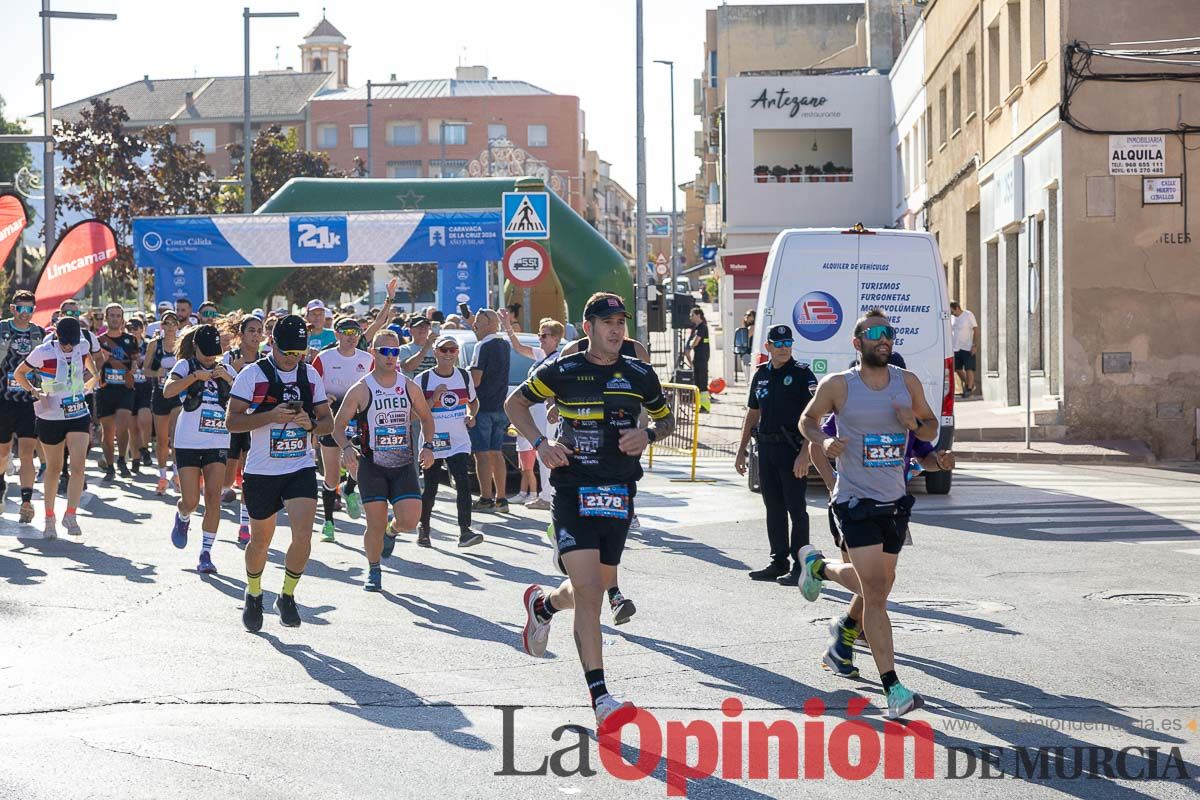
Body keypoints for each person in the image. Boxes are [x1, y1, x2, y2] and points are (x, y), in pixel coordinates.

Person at [508, 292, 674, 732]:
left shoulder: (639, 373)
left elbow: (666, 417)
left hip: (618, 491)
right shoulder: (563, 369)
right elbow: (515, 405)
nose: (617, 329)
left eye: (620, 321)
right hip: (572, 489)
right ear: (588, 328)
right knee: (590, 591)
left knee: (591, 588)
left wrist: (650, 433)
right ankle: (601, 697)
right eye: (607, 322)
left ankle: (543, 605)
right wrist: (542, 445)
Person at [798, 308, 938, 720]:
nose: (884, 338)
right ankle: (893, 688)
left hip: (895, 501)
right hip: (855, 501)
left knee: (877, 584)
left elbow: (930, 429)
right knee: (875, 593)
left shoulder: (905, 382)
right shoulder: (839, 386)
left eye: (889, 332)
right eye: (874, 333)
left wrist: (915, 423)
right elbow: (806, 420)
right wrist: (824, 441)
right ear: (857, 342)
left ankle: (819, 568)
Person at [227, 315, 333, 630]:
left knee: (303, 535)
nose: (293, 358)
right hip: (261, 471)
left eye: (299, 353)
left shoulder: (309, 375)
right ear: (272, 344)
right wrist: (270, 416)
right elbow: (232, 422)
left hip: (299, 465)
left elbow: (328, 421)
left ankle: (287, 594)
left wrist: (311, 424)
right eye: (288, 352)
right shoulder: (251, 376)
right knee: (260, 540)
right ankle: (255, 592)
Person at [332, 331, 436, 591]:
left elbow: (426, 417)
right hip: (372, 466)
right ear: (374, 353)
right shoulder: (361, 388)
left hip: (403, 465)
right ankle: (374, 569)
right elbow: (338, 426)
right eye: (385, 352)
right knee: (374, 524)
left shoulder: (408, 385)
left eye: (395, 352)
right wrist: (345, 448)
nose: (391, 357)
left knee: (410, 521)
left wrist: (428, 446)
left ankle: (393, 531)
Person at [734, 324, 819, 585]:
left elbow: (815, 417)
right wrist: (741, 450)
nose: (784, 348)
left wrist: (806, 453)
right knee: (773, 508)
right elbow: (753, 413)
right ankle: (778, 560)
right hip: (766, 450)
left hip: (792, 450)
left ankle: (800, 565)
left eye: (788, 343)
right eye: (778, 344)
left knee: (797, 509)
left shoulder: (803, 375)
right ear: (768, 346)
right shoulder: (761, 375)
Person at [14, 317, 97, 538]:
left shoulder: (83, 345)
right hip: (50, 414)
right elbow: (19, 373)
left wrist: (93, 375)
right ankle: (49, 517)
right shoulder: (43, 352)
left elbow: (89, 361)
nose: (69, 346)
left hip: (78, 410)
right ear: (57, 336)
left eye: (73, 341)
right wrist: (35, 391)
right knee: (54, 468)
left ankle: (70, 515)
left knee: (79, 466)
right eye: (65, 342)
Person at [162, 325, 235, 574]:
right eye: (206, 353)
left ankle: (206, 553)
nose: (210, 358)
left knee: (214, 498)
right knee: (191, 501)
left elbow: (247, 397)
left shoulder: (224, 368)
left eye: (214, 353)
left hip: (218, 441)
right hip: (189, 441)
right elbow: (168, 391)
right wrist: (195, 378)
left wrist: (229, 379)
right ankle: (183, 517)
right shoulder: (185, 366)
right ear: (196, 348)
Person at [312, 316, 375, 542]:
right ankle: (328, 522)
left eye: (355, 333)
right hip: (331, 418)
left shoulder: (367, 359)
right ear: (336, 334)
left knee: (357, 466)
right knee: (330, 474)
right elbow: (312, 385)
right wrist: (321, 399)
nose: (351, 338)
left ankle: (350, 489)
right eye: (346, 333)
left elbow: (375, 386)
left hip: (358, 419)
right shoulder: (324, 358)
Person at [415, 335, 480, 547]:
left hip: (459, 440)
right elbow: (414, 412)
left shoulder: (464, 376)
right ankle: (424, 527)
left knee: (463, 483)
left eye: (452, 350)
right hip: (432, 441)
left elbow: (473, 401)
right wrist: (433, 398)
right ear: (435, 352)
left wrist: (472, 415)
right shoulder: (423, 380)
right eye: (444, 350)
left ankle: (465, 530)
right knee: (431, 487)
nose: (448, 354)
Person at [501, 313, 565, 510]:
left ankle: (549, 496)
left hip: (547, 413)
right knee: (539, 453)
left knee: (548, 451)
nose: (541, 338)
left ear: (555, 338)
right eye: (540, 335)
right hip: (533, 411)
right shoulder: (540, 355)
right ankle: (546, 495)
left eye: (544, 335)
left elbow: (556, 385)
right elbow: (519, 348)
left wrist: (553, 403)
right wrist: (508, 328)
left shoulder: (559, 358)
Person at [0, 290, 46, 524]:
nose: (24, 314)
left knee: (27, 453)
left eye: (29, 309)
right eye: (20, 309)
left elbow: (47, 365)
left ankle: (26, 502)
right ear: (12, 309)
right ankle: (0, 486)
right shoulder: (1, 328)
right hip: (3, 399)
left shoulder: (39, 333)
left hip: (29, 401)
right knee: (3, 451)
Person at [222, 314, 264, 545]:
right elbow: (222, 387)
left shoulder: (265, 360)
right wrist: (233, 375)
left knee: (249, 476)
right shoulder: (230, 357)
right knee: (227, 481)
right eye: (251, 330)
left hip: (255, 423)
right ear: (241, 334)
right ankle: (216, 494)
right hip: (233, 422)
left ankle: (244, 525)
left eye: (259, 330)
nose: (256, 335)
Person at [468, 309, 510, 511]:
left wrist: (466, 373)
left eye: (477, 322)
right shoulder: (504, 344)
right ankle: (501, 499)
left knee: (482, 454)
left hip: (482, 406)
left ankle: (486, 498)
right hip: (500, 405)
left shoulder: (481, 345)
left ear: (487, 324)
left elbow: (476, 379)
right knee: (497, 452)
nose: (475, 326)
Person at [95, 303, 138, 481]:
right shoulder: (99, 341)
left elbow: (135, 363)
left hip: (125, 389)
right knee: (107, 431)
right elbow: (94, 368)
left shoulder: (130, 340)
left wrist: (132, 372)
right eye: (111, 315)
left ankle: (122, 459)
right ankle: (110, 466)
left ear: (122, 319)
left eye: (118, 316)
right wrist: (103, 361)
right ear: (106, 318)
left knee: (122, 424)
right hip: (105, 389)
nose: (115, 318)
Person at [143, 311, 181, 496]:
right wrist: (157, 373)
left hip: (177, 395)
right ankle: (162, 476)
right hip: (159, 395)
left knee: (175, 438)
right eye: (167, 323)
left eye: (174, 323)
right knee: (161, 440)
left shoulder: (183, 345)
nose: (171, 326)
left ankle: (176, 475)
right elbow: (146, 371)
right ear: (162, 326)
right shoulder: (154, 344)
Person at [127, 316, 154, 474]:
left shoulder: (149, 344)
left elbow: (154, 363)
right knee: (132, 427)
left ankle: (145, 447)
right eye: (130, 329)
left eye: (136, 328)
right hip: (129, 388)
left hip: (145, 386)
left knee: (144, 420)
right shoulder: (125, 345)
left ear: (142, 329)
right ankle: (136, 458)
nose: (133, 331)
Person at [684, 307, 712, 412]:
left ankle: (705, 406)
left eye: (692, 315)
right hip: (698, 359)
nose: (690, 317)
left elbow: (695, 342)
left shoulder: (702, 328)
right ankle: (701, 405)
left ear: (698, 315)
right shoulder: (696, 328)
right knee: (698, 383)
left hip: (702, 359)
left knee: (702, 383)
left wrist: (689, 347)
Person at [950, 301, 978, 398]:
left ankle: (969, 389)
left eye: (952, 311)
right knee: (957, 369)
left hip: (967, 347)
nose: (952, 314)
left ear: (957, 307)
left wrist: (974, 345)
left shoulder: (968, 315)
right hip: (955, 347)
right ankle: (970, 384)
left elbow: (975, 329)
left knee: (969, 368)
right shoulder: (952, 318)